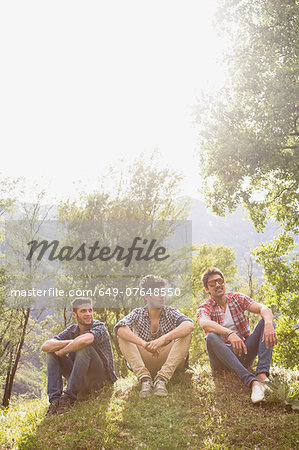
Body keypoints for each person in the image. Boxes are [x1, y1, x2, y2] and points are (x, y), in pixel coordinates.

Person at [197, 267, 278, 403]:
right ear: (207, 289)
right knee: (211, 337)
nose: (217, 285)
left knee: (266, 321)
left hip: (243, 351)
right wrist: (229, 333)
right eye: (212, 283)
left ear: (224, 282)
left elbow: (263, 308)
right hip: (221, 359)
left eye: (220, 281)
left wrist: (269, 324)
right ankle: (252, 382)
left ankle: (262, 375)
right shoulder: (205, 307)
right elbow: (204, 323)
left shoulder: (236, 298)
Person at [114, 275, 194, 397]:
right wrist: (143, 344)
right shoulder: (138, 313)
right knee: (123, 336)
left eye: (163, 292)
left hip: (168, 360)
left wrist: (163, 339)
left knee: (185, 332)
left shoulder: (170, 311)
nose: (162, 295)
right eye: (157, 292)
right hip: (146, 361)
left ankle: (161, 379)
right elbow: (119, 328)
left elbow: (189, 325)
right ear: (147, 296)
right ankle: (145, 379)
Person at [41, 297, 117, 415]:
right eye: (83, 311)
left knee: (84, 347)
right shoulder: (72, 330)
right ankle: (55, 402)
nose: (88, 314)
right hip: (81, 382)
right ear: (74, 315)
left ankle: (68, 398)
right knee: (51, 351)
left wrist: (62, 351)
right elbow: (45, 346)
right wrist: (71, 343)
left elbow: (84, 341)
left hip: (99, 382)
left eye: (90, 310)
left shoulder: (99, 327)